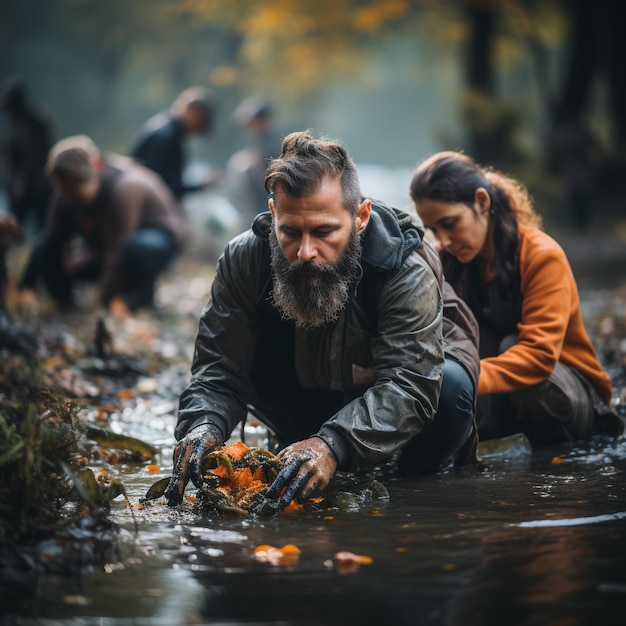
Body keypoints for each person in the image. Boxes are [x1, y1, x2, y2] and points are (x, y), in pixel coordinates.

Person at [164, 130, 480, 509]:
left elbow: (410, 383)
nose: (306, 252)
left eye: (325, 231)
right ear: (272, 213)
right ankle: (303, 450)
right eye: (290, 232)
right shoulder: (244, 260)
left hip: (401, 394)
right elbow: (218, 368)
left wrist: (333, 445)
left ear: (361, 217)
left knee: (452, 388)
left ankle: (412, 480)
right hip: (301, 393)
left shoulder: (404, 268)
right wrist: (204, 425)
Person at [409, 150, 624, 445]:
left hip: (569, 398)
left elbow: (539, 356)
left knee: (501, 350)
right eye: (433, 229)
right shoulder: (448, 263)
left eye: (450, 223)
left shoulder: (542, 257)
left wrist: (459, 379)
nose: (442, 240)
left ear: (482, 203)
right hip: (500, 399)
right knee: (460, 341)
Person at [29, 134, 189, 311]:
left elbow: (117, 252)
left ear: (93, 172)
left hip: (157, 240)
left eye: (73, 189)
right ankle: (65, 303)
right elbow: (49, 240)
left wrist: (102, 304)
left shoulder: (124, 187)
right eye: (61, 189)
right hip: (108, 246)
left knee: (136, 248)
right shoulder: (65, 193)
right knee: (48, 245)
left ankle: (138, 299)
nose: (67, 196)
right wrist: (27, 286)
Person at [130, 86, 221, 202]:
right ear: (191, 112)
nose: (199, 130)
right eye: (201, 122)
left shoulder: (169, 132)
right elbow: (158, 187)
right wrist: (200, 186)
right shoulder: (165, 137)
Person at [0, 79, 53, 233]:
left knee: (42, 226)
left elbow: (38, 155)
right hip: (21, 184)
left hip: (38, 184)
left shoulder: (36, 122)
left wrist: (23, 180)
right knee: (15, 224)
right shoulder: (15, 123)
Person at [225, 96, 282, 224]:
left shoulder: (275, 141)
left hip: (271, 204)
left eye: (252, 123)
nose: (250, 129)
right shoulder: (263, 138)